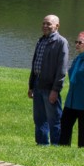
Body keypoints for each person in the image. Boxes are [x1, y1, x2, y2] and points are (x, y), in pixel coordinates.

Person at [28, 14, 69, 145]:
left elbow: (62, 70)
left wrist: (55, 90)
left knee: (54, 118)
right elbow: (35, 65)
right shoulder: (41, 41)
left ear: (57, 26)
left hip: (50, 87)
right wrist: (31, 86)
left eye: (48, 24)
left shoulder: (61, 42)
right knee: (39, 118)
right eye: (44, 23)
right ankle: (41, 144)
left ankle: (57, 145)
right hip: (37, 84)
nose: (45, 26)